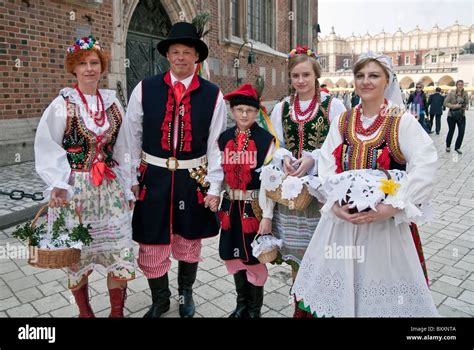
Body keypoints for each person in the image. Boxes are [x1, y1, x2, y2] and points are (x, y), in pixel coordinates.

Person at [292, 52, 438, 317]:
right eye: (360, 76)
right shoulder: (344, 120)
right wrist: (334, 205)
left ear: (387, 81)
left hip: (385, 228)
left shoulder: (400, 120)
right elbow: (326, 164)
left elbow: (425, 164)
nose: (366, 82)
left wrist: (392, 207)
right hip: (342, 223)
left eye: (374, 76)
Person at [125, 22, 227, 318]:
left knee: (188, 237)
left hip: (191, 180)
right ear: (167, 55)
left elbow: (216, 144)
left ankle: (185, 295)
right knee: (151, 239)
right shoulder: (145, 89)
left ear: (197, 57)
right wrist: (131, 177)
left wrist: (215, 186)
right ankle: (160, 300)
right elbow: (131, 137)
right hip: (153, 178)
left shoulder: (213, 94)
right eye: (175, 52)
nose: (181, 57)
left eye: (187, 52)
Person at [34, 35, 136, 318]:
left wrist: (129, 186)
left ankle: (117, 312)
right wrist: (56, 182)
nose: (89, 69)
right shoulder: (62, 104)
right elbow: (47, 144)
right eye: (83, 64)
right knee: (76, 254)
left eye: (94, 63)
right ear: (74, 69)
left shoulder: (113, 104)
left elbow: (125, 147)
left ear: (101, 67)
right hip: (76, 190)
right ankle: (85, 313)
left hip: (111, 187)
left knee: (119, 252)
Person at [269, 45, 346, 317]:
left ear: (316, 76)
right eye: (295, 76)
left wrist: (313, 159)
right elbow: (275, 142)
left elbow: (339, 144)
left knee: (322, 251)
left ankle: (323, 305)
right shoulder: (283, 107)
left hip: (320, 190)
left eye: (305, 75)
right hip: (292, 193)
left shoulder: (333, 105)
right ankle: (300, 306)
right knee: (298, 253)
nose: (300, 81)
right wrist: (285, 158)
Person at [217, 83, 276, 318]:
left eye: (249, 111)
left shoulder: (265, 140)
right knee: (234, 255)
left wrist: (268, 216)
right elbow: (216, 172)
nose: (244, 115)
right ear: (232, 111)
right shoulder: (223, 139)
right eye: (239, 110)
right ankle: (241, 305)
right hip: (231, 207)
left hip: (255, 208)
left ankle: (254, 310)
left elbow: (270, 182)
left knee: (254, 257)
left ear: (257, 112)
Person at [444, 80, 469, 154]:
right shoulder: (451, 93)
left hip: (461, 115)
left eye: (462, 84)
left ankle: (457, 147)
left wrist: (466, 106)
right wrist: (454, 106)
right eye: (459, 84)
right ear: (456, 85)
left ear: (463, 85)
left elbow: (467, 103)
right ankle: (448, 146)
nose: (460, 86)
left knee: (462, 132)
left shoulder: (465, 93)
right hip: (451, 116)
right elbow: (445, 103)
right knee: (451, 131)